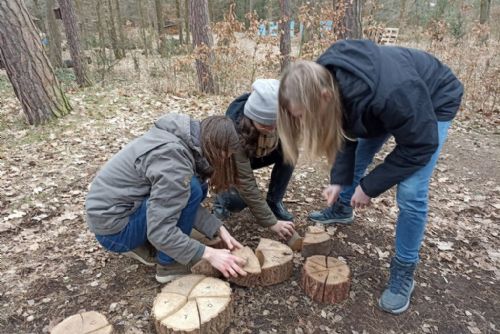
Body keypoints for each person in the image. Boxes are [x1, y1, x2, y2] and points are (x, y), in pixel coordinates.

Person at [277, 40, 463, 314]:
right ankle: (342, 208)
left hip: (432, 100)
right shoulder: (322, 75)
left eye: (303, 116)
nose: (303, 123)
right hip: (383, 107)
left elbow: (420, 145)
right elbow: (345, 130)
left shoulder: (392, 93)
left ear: (325, 97)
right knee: (359, 156)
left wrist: (369, 187)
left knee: (412, 191)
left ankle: (404, 271)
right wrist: (339, 181)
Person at [85, 113, 247, 284]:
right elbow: (160, 230)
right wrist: (209, 253)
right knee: (192, 187)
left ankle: (152, 244)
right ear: (216, 148)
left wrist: (217, 228)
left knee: (194, 187)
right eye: (225, 155)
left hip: (117, 212)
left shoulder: (181, 138)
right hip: (115, 231)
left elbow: (174, 197)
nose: (225, 160)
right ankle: (169, 265)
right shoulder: (173, 161)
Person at [212, 79, 297, 242]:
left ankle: (274, 201)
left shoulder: (287, 114)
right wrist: (271, 223)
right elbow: (246, 181)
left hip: (259, 153)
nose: (272, 129)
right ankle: (222, 201)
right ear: (251, 117)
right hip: (232, 160)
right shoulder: (233, 128)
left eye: (276, 124)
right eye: (266, 125)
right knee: (237, 202)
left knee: (290, 153)